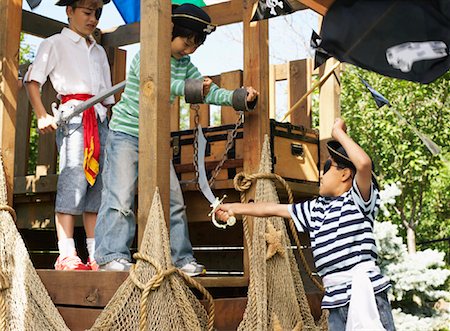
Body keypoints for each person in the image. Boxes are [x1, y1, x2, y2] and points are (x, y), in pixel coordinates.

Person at [94, 3, 259, 275]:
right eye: (186, 41)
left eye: (196, 45)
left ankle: (181, 260)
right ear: (170, 31)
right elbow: (158, 84)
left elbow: (208, 92)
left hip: (156, 139)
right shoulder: (147, 54)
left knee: (174, 201)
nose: (190, 49)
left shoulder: (185, 65)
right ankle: (111, 256)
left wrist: (236, 97)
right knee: (119, 198)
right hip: (125, 134)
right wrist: (190, 88)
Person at [215, 118, 396, 331]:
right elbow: (272, 209)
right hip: (335, 300)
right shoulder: (315, 209)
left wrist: (338, 133)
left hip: (367, 293)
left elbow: (363, 164)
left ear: (345, 174)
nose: (321, 174)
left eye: (327, 169)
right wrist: (235, 208)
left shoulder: (357, 200)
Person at [24, 0, 114, 271]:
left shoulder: (98, 52)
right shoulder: (54, 43)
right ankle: (66, 253)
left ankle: (95, 252)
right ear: (69, 11)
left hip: (99, 118)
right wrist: (41, 114)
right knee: (74, 180)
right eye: (87, 12)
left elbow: (108, 98)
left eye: (97, 13)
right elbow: (32, 81)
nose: (93, 19)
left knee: (98, 186)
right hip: (74, 117)